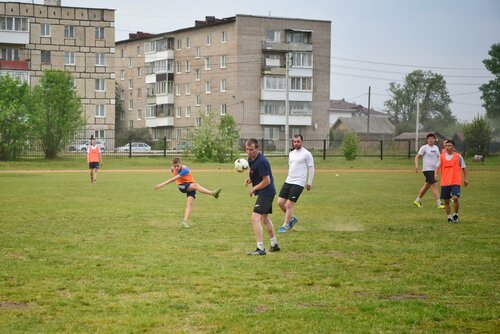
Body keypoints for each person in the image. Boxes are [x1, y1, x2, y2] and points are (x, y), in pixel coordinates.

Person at [154, 158, 221, 228]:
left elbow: (174, 178)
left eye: (177, 166)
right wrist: (160, 185)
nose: (176, 168)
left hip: (190, 185)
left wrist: (160, 185)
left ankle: (184, 222)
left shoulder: (185, 170)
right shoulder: (172, 168)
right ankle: (213, 193)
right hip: (182, 186)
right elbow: (173, 179)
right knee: (196, 185)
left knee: (189, 204)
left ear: (181, 164)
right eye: (174, 166)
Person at [244, 138, 280, 255]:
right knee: (264, 219)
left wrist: (253, 188)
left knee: (255, 219)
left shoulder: (262, 161)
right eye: (247, 149)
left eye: (251, 149)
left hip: (267, 192)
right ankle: (274, 244)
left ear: (257, 149)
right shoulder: (250, 159)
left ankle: (260, 249)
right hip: (265, 192)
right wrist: (250, 179)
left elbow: (266, 181)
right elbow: (256, 173)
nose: (249, 152)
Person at [277, 134, 314, 233]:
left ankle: (285, 225)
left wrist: (309, 182)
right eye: (294, 142)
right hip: (288, 180)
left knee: (289, 205)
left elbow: (311, 168)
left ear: (302, 141)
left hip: (299, 183)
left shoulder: (307, 154)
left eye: (298, 141)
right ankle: (292, 218)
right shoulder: (291, 153)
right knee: (280, 203)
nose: (296, 143)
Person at [435, 140, 469, 223]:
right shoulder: (441, 156)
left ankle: (456, 215)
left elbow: (464, 167)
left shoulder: (458, 156)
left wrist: (466, 178)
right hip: (445, 182)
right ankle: (449, 217)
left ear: (453, 147)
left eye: (449, 145)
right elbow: (437, 166)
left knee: (455, 198)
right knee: (446, 201)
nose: (447, 147)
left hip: (455, 181)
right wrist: (435, 174)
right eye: (446, 146)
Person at [413, 133, 444, 209]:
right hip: (427, 170)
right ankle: (439, 203)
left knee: (427, 186)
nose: (431, 139)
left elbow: (439, 158)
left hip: (434, 170)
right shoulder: (424, 147)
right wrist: (417, 166)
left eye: (432, 138)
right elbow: (417, 157)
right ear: (427, 140)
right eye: (429, 138)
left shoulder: (436, 148)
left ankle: (417, 200)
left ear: (434, 140)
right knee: (434, 185)